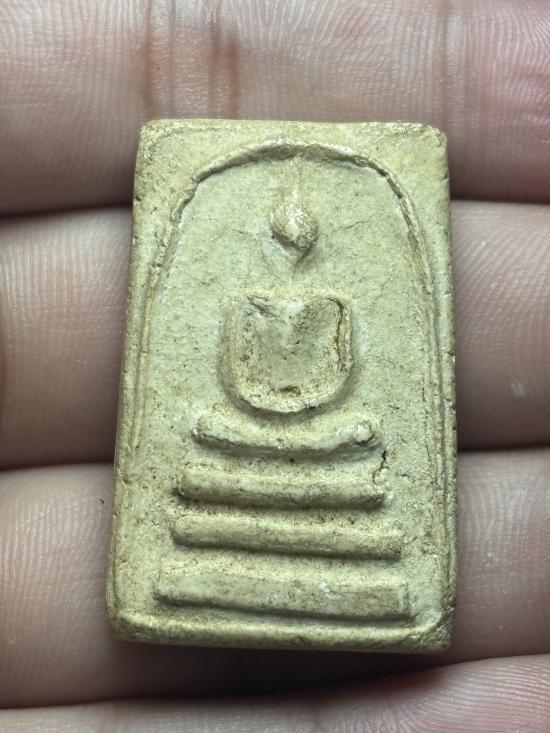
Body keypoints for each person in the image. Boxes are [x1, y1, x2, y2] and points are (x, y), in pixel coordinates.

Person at [1, 0, 549, 729]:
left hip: (334, 440)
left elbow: (336, 381)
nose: (294, 236)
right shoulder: (240, 284)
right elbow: (240, 377)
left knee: (355, 443)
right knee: (213, 450)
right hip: (241, 438)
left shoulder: (338, 294)